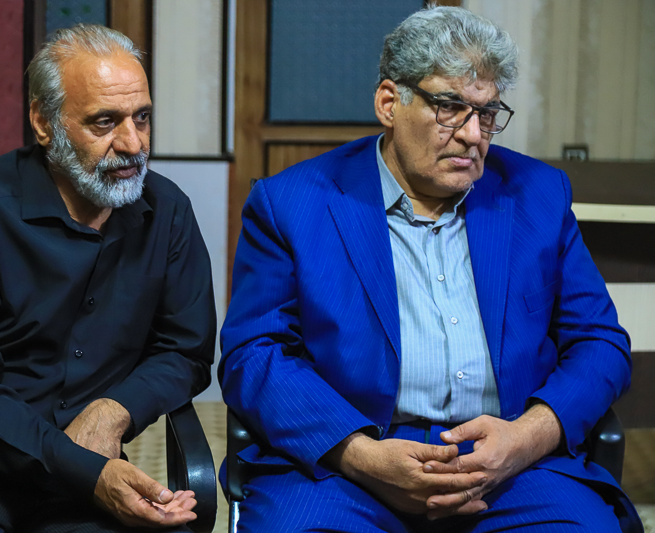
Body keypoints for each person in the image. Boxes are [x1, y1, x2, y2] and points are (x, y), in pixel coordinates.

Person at [220, 6, 643, 532]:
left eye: (486, 113)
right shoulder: (293, 203)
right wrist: (360, 455)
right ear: (389, 102)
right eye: (450, 108)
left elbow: (600, 342)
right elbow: (254, 354)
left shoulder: (537, 195)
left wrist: (528, 436)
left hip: (512, 465)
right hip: (349, 467)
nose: (473, 134)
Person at [0, 24, 216, 533]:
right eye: (104, 122)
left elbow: (185, 349)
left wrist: (114, 410)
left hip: (83, 464)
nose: (133, 143)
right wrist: (84, 470)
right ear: (43, 123)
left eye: (142, 117)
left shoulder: (168, 212)